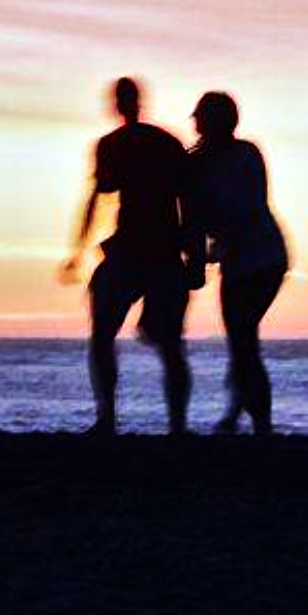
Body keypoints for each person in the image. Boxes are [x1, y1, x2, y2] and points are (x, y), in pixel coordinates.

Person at [59, 77, 197, 436]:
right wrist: (192, 252)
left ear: (119, 104)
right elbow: (188, 202)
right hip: (153, 250)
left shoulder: (116, 145)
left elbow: (99, 196)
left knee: (110, 336)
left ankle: (111, 418)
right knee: (161, 344)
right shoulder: (165, 142)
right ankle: (167, 425)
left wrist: (77, 249)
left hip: (144, 250)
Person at [187, 91, 289, 437]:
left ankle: (259, 422)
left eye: (199, 116)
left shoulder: (230, 158)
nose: (194, 122)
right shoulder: (237, 155)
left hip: (255, 259)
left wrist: (202, 259)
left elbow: (229, 212)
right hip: (258, 256)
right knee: (243, 340)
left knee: (243, 341)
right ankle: (237, 413)